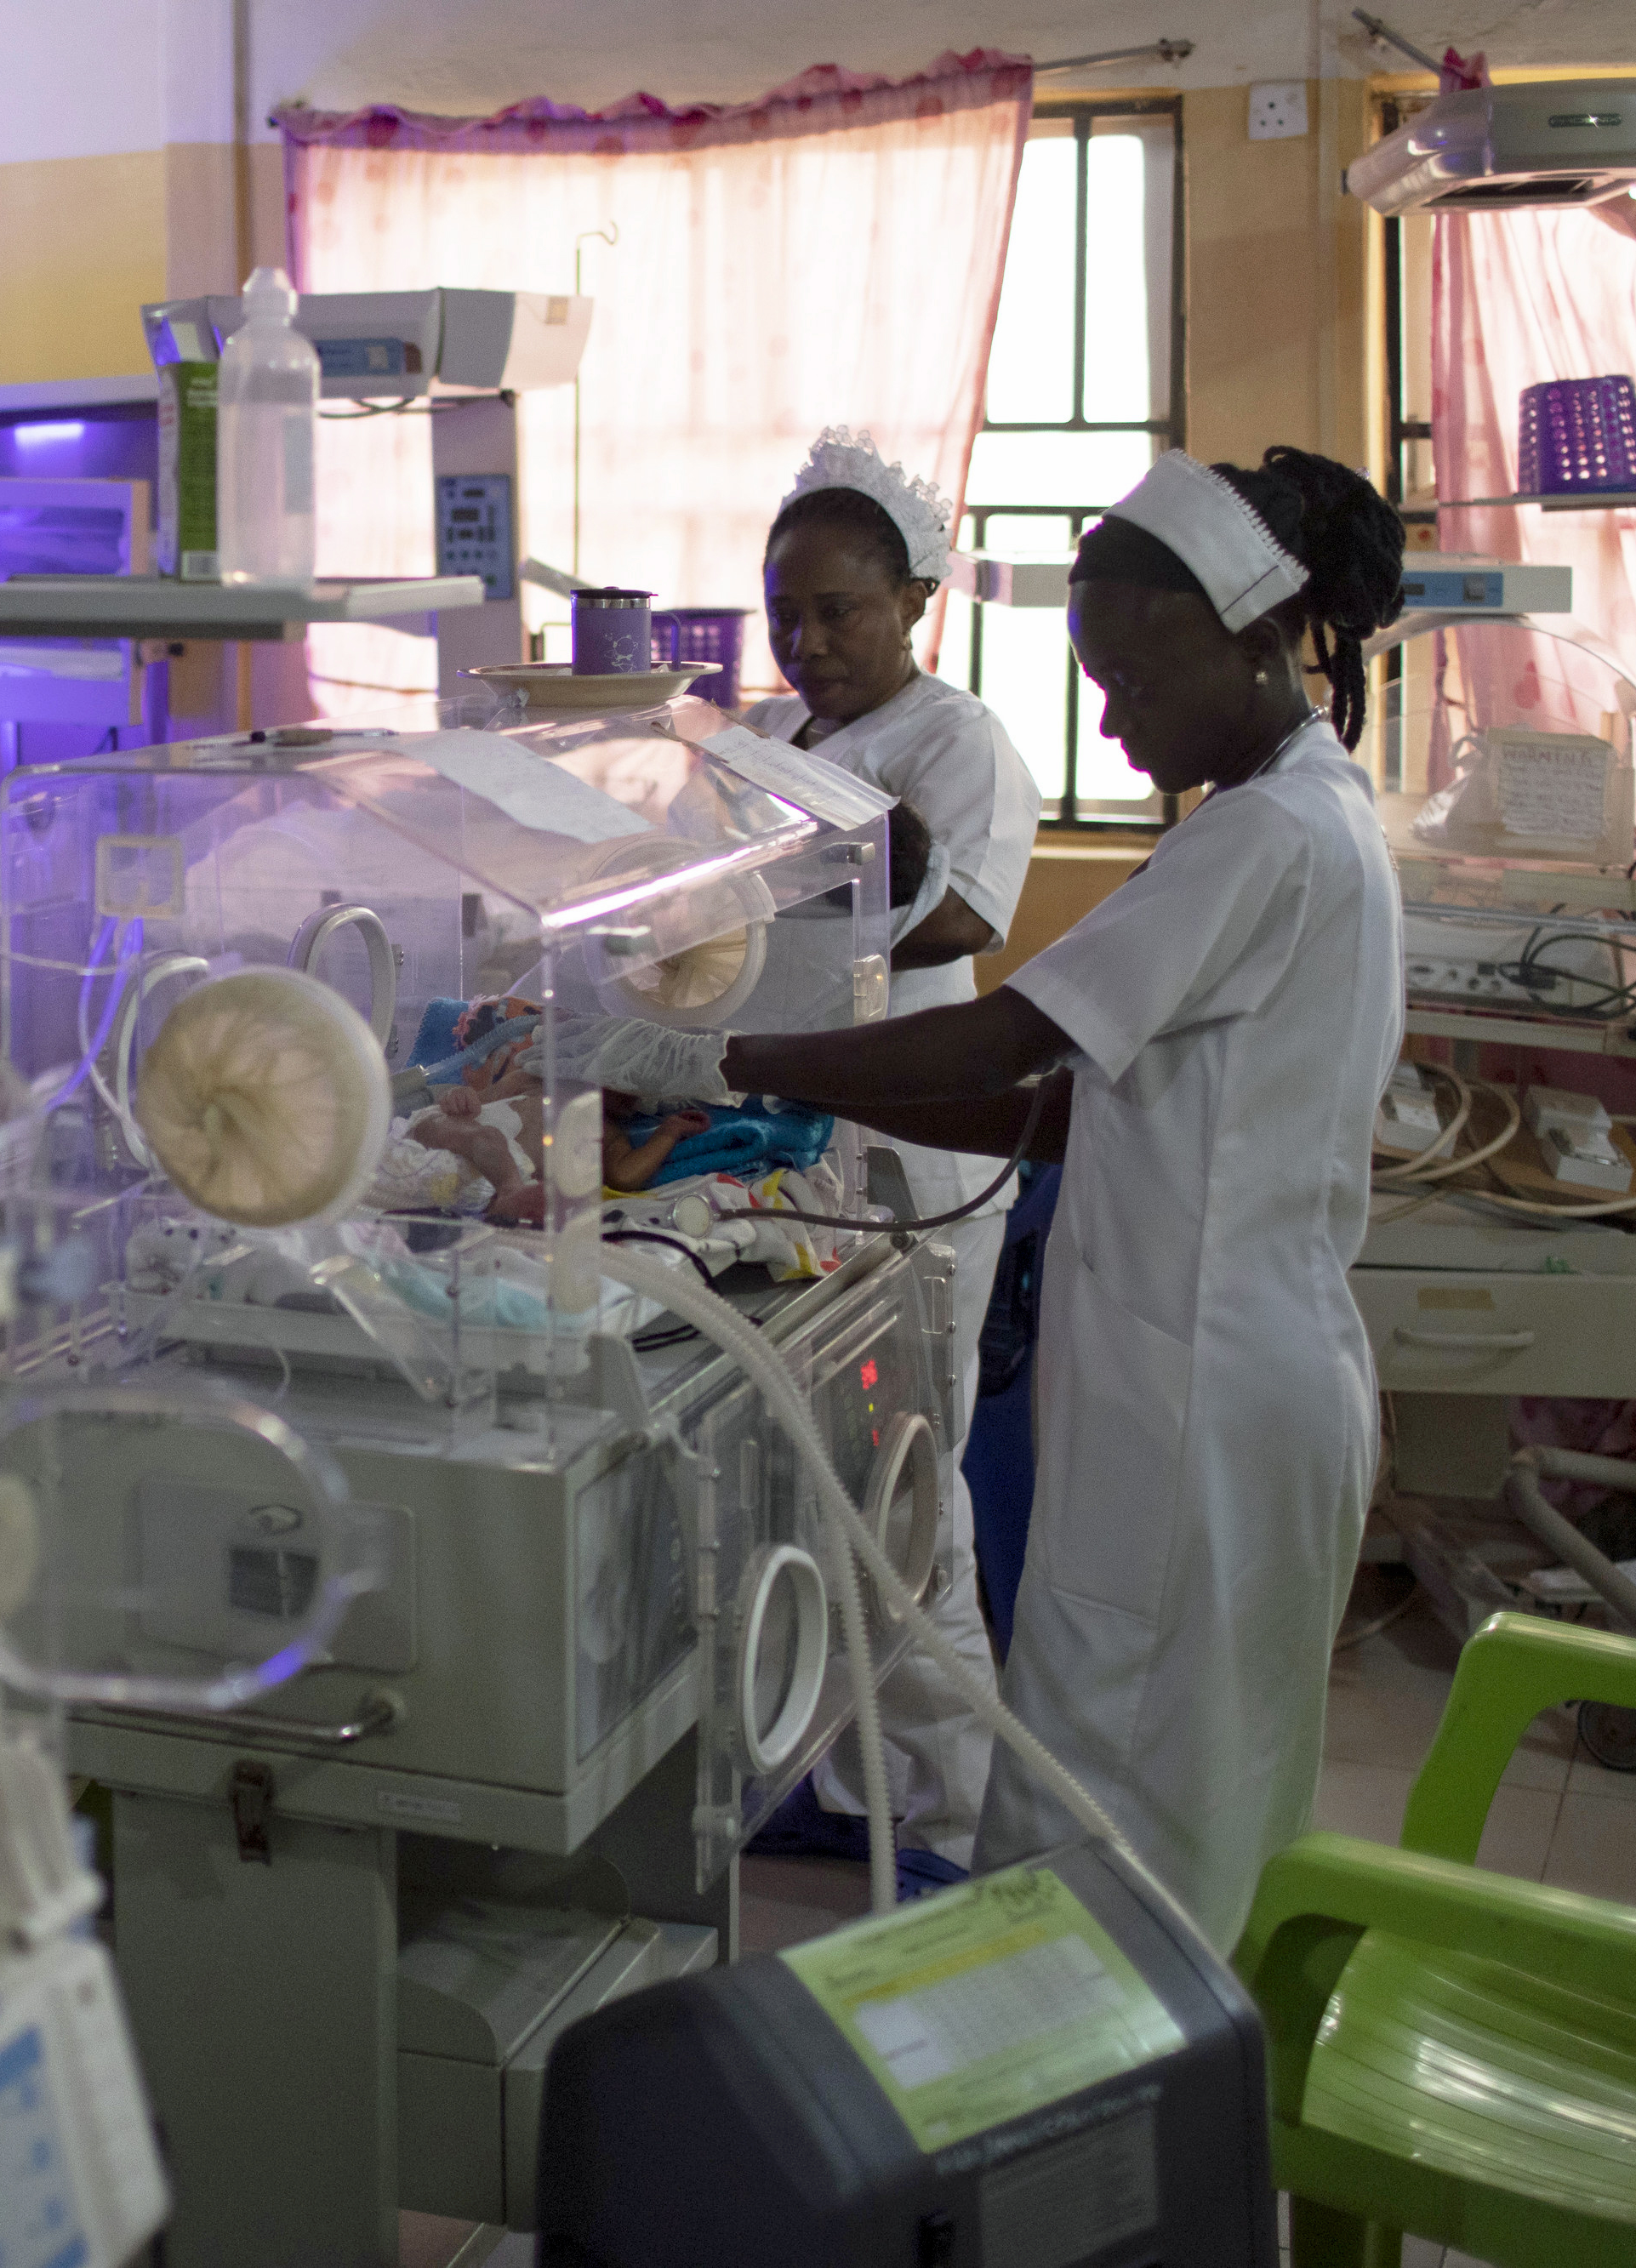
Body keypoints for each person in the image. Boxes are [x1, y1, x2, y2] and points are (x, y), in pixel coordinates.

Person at [623, 446, 1405, 1946]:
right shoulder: (1305, 811)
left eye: (1127, 675)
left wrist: (714, 1054)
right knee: (1201, 1803)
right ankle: (1168, 2101)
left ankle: (1099, 2124)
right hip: (1230, 1372)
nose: (1110, 719)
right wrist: (783, 1091)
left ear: (1252, 638)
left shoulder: (1262, 834)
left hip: (1201, 1394)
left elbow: (1005, 1026)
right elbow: (1052, 1109)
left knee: (1113, 1808)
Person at [745, 431, 1042, 1872]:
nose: (806, 643)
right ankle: (861, 1787)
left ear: (913, 599)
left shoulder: (954, 738)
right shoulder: (778, 739)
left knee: (911, 1485)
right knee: (826, 1481)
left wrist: (775, 948)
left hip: (916, 1162)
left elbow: (962, 921)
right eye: (783, 613)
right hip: (816, 1145)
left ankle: (953, 1809)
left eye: (837, 613)